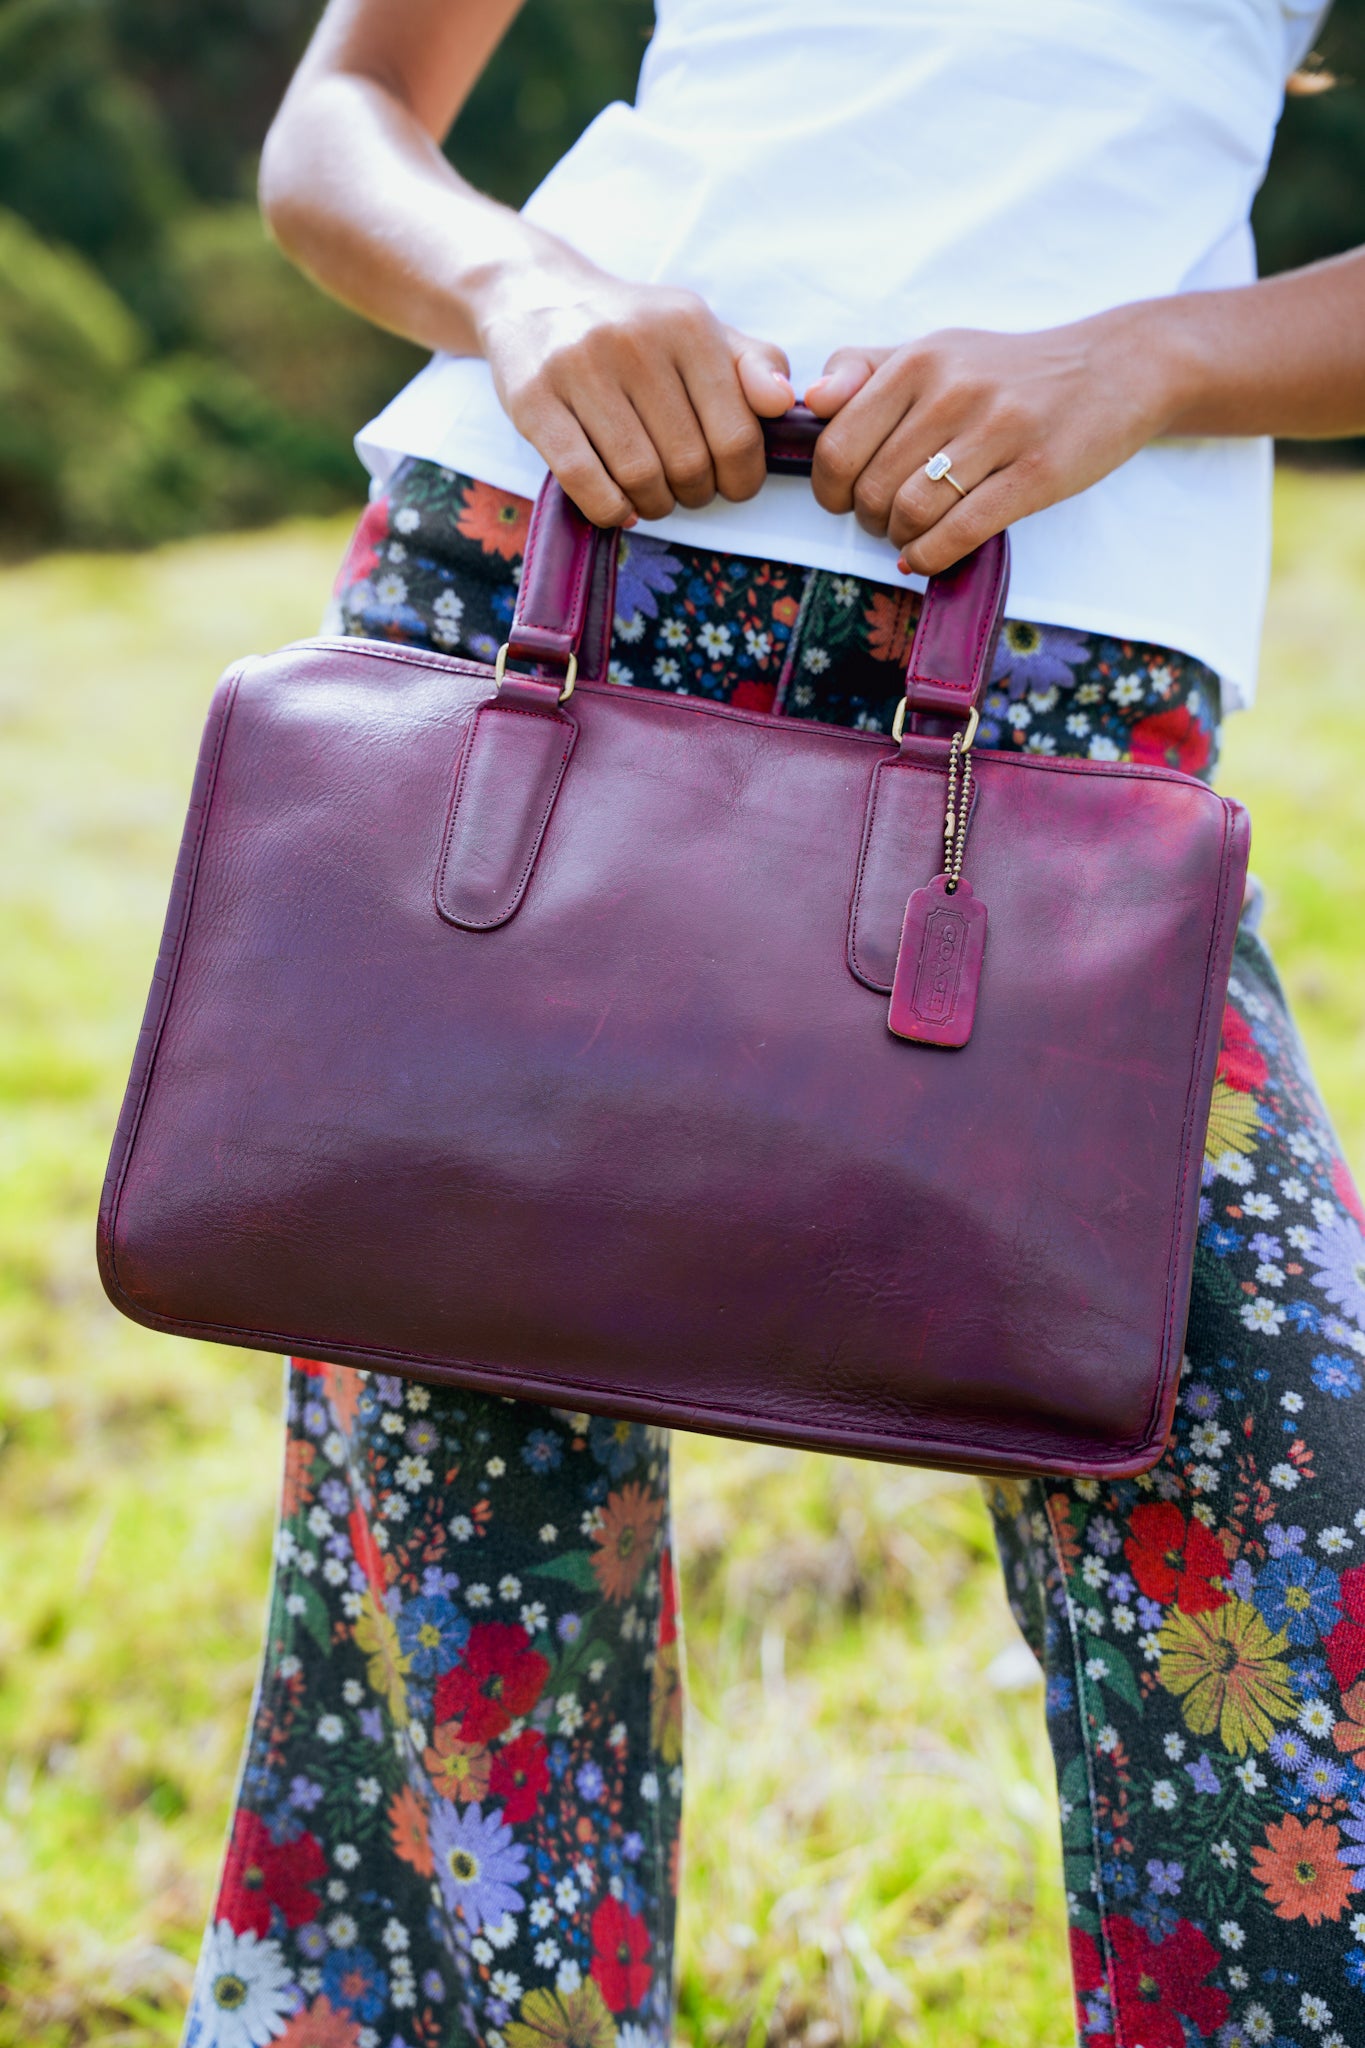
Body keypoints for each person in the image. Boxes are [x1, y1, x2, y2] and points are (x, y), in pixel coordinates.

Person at [181, 3, 1365, 2044]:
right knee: (463, 1543)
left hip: (1059, 658)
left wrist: (1153, 354)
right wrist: (522, 283)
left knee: (1262, 1496)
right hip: (540, 553)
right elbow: (339, 122)